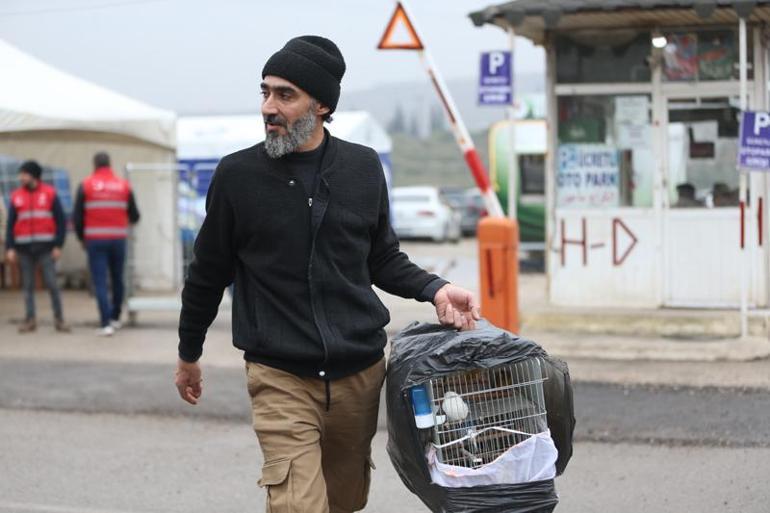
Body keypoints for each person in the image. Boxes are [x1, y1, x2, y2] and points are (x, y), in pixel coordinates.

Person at [174, 35, 481, 513]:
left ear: (321, 106)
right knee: (298, 505)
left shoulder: (362, 169)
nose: (268, 107)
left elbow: (381, 258)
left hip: (358, 374)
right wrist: (188, 351)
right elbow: (207, 273)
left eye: (285, 95)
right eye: (265, 92)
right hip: (280, 374)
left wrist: (436, 288)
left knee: (344, 501)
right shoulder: (237, 177)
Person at [73, 152, 140, 336]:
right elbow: (135, 215)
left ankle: (105, 323)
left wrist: (81, 237)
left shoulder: (85, 185)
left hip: (95, 240)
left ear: (94, 165)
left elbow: (77, 217)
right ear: (110, 164)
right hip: (118, 239)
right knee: (118, 278)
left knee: (100, 281)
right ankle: (116, 317)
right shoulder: (123, 186)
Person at [4, 160, 70, 333]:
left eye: (24, 174)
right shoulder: (17, 196)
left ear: (33, 175)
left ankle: (59, 319)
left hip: (46, 247)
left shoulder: (49, 194)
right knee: (27, 286)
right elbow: (10, 224)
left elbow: (61, 222)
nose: (21, 177)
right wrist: (10, 248)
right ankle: (30, 319)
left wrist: (58, 245)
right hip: (24, 248)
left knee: (51, 284)